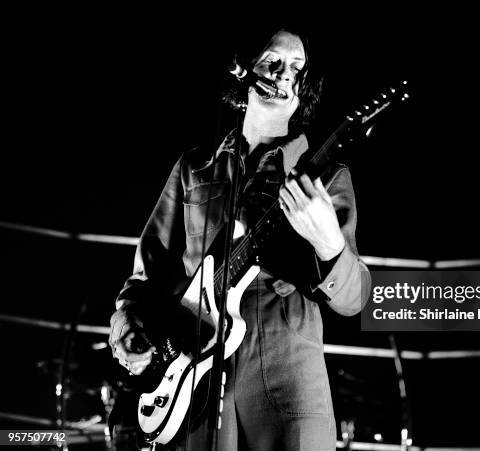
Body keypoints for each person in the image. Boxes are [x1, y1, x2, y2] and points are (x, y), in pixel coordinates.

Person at [109, 27, 371, 450]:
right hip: (193, 382)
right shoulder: (194, 168)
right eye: (273, 61)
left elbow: (355, 297)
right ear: (244, 69)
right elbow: (143, 279)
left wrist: (330, 246)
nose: (285, 75)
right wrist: (128, 327)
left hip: (287, 382)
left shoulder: (325, 176)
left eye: (297, 68)